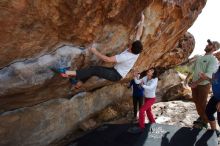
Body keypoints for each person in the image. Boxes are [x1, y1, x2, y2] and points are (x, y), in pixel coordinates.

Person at [57, 13, 145, 88]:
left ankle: (67, 73)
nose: (129, 45)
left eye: (130, 46)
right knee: (93, 70)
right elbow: (139, 34)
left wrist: (94, 51)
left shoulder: (126, 56)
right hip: (115, 71)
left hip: (116, 75)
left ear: (131, 49)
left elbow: (107, 59)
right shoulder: (136, 50)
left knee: (95, 70)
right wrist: (142, 20)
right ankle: (78, 84)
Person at [184, 39, 219, 128]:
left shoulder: (213, 60)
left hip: (204, 85)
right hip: (195, 85)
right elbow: (193, 68)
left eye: (210, 45)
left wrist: (196, 82)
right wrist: (187, 78)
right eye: (208, 44)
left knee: (202, 103)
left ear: (214, 48)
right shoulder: (200, 57)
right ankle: (203, 118)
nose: (207, 45)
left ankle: (205, 121)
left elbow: (208, 74)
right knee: (196, 102)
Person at [128, 68, 158, 133]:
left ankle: (141, 127)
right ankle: (153, 122)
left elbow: (151, 87)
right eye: (149, 70)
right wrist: (134, 76)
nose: (149, 70)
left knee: (141, 110)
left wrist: (143, 85)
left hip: (152, 98)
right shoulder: (145, 77)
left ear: (153, 73)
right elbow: (137, 82)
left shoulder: (155, 79)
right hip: (146, 98)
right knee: (148, 111)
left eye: (151, 70)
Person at [200, 66, 220, 136]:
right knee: (208, 112)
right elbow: (214, 81)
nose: (216, 55)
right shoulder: (217, 69)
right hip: (215, 97)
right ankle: (214, 131)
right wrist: (206, 78)